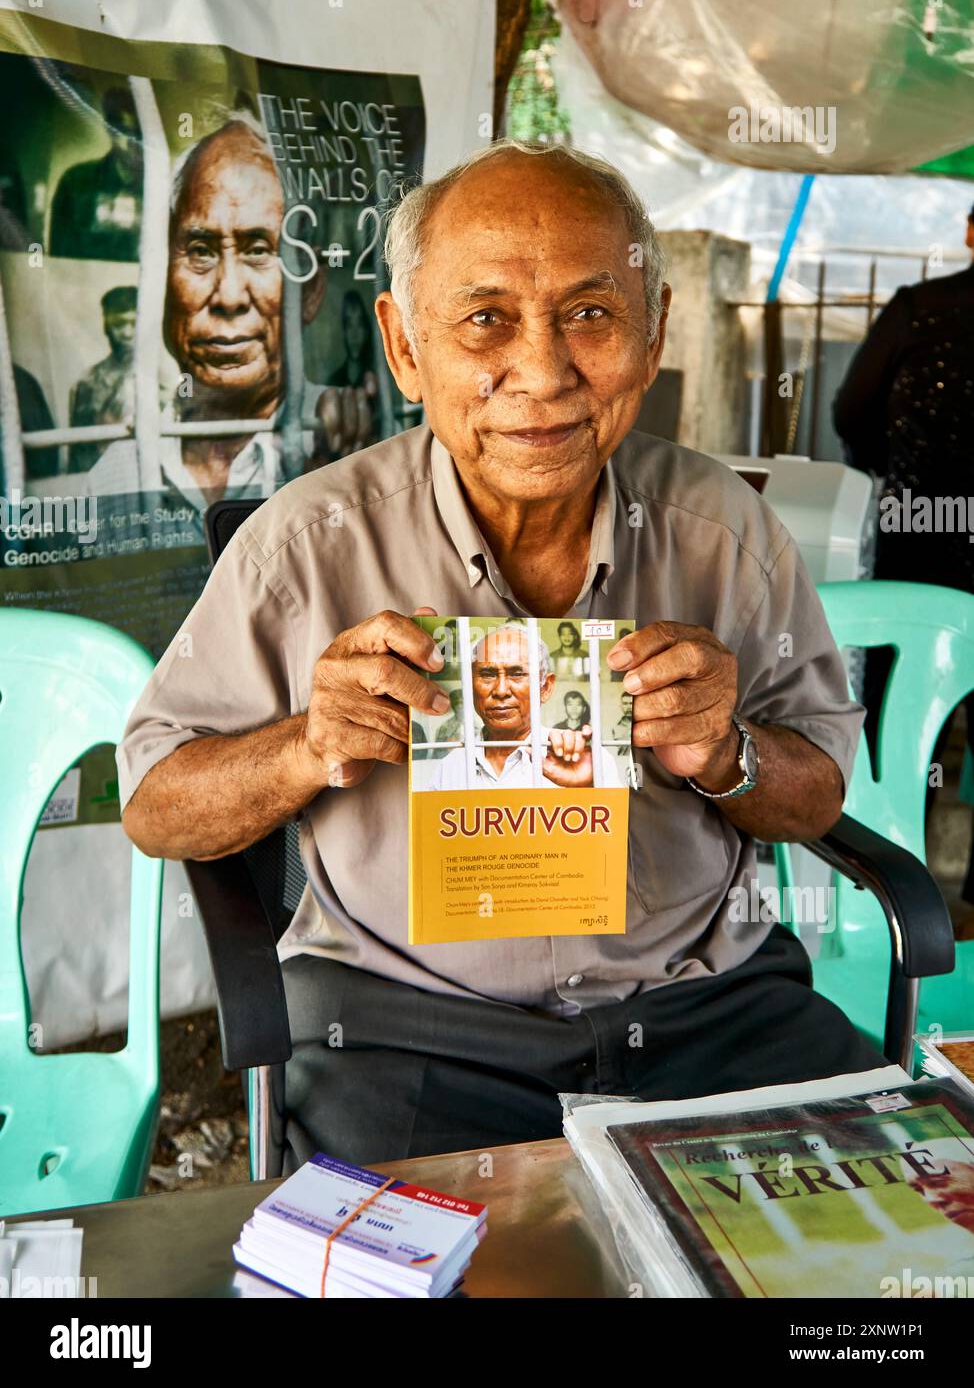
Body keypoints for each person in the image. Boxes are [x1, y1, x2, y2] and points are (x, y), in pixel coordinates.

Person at [118, 140, 878, 1170]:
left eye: (591, 314)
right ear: (403, 346)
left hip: (709, 1014)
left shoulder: (724, 534)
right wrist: (305, 745)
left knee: (874, 1263)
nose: (542, 372)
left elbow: (817, 794)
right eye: (484, 320)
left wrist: (730, 752)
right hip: (408, 1031)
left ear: (652, 335)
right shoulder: (307, 544)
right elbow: (157, 804)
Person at [85, 117, 374, 541]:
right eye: (200, 251)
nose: (229, 295)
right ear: (159, 282)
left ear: (309, 291)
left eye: (258, 250)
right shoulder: (116, 474)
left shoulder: (354, 449)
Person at [834, 202, 974, 899]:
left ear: (970, 231)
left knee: (902, 727)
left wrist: (894, 472)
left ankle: (892, 893)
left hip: (921, 542)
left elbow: (851, 411)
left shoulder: (919, 311)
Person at [428, 624, 619, 790]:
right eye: (487, 674)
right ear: (470, 685)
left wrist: (587, 791)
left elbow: (615, 829)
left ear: (545, 687)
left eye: (517, 674)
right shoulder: (450, 767)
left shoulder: (587, 761)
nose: (501, 690)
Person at [48, 87, 143, 262]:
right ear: (111, 132)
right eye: (125, 132)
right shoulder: (75, 182)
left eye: (139, 135)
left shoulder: (164, 190)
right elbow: (59, 259)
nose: (133, 143)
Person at [68, 286, 138, 473]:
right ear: (106, 326)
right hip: (101, 479)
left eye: (134, 323)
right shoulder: (88, 381)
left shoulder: (165, 377)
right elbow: (78, 451)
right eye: (118, 324)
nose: (127, 333)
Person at [432, 687, 464, 758]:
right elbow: (437, 755)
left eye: (462, 703)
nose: (459, 706)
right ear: (452, 706)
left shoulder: (477, 726)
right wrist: (448, 749)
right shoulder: (445, 727)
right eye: (457, 703)